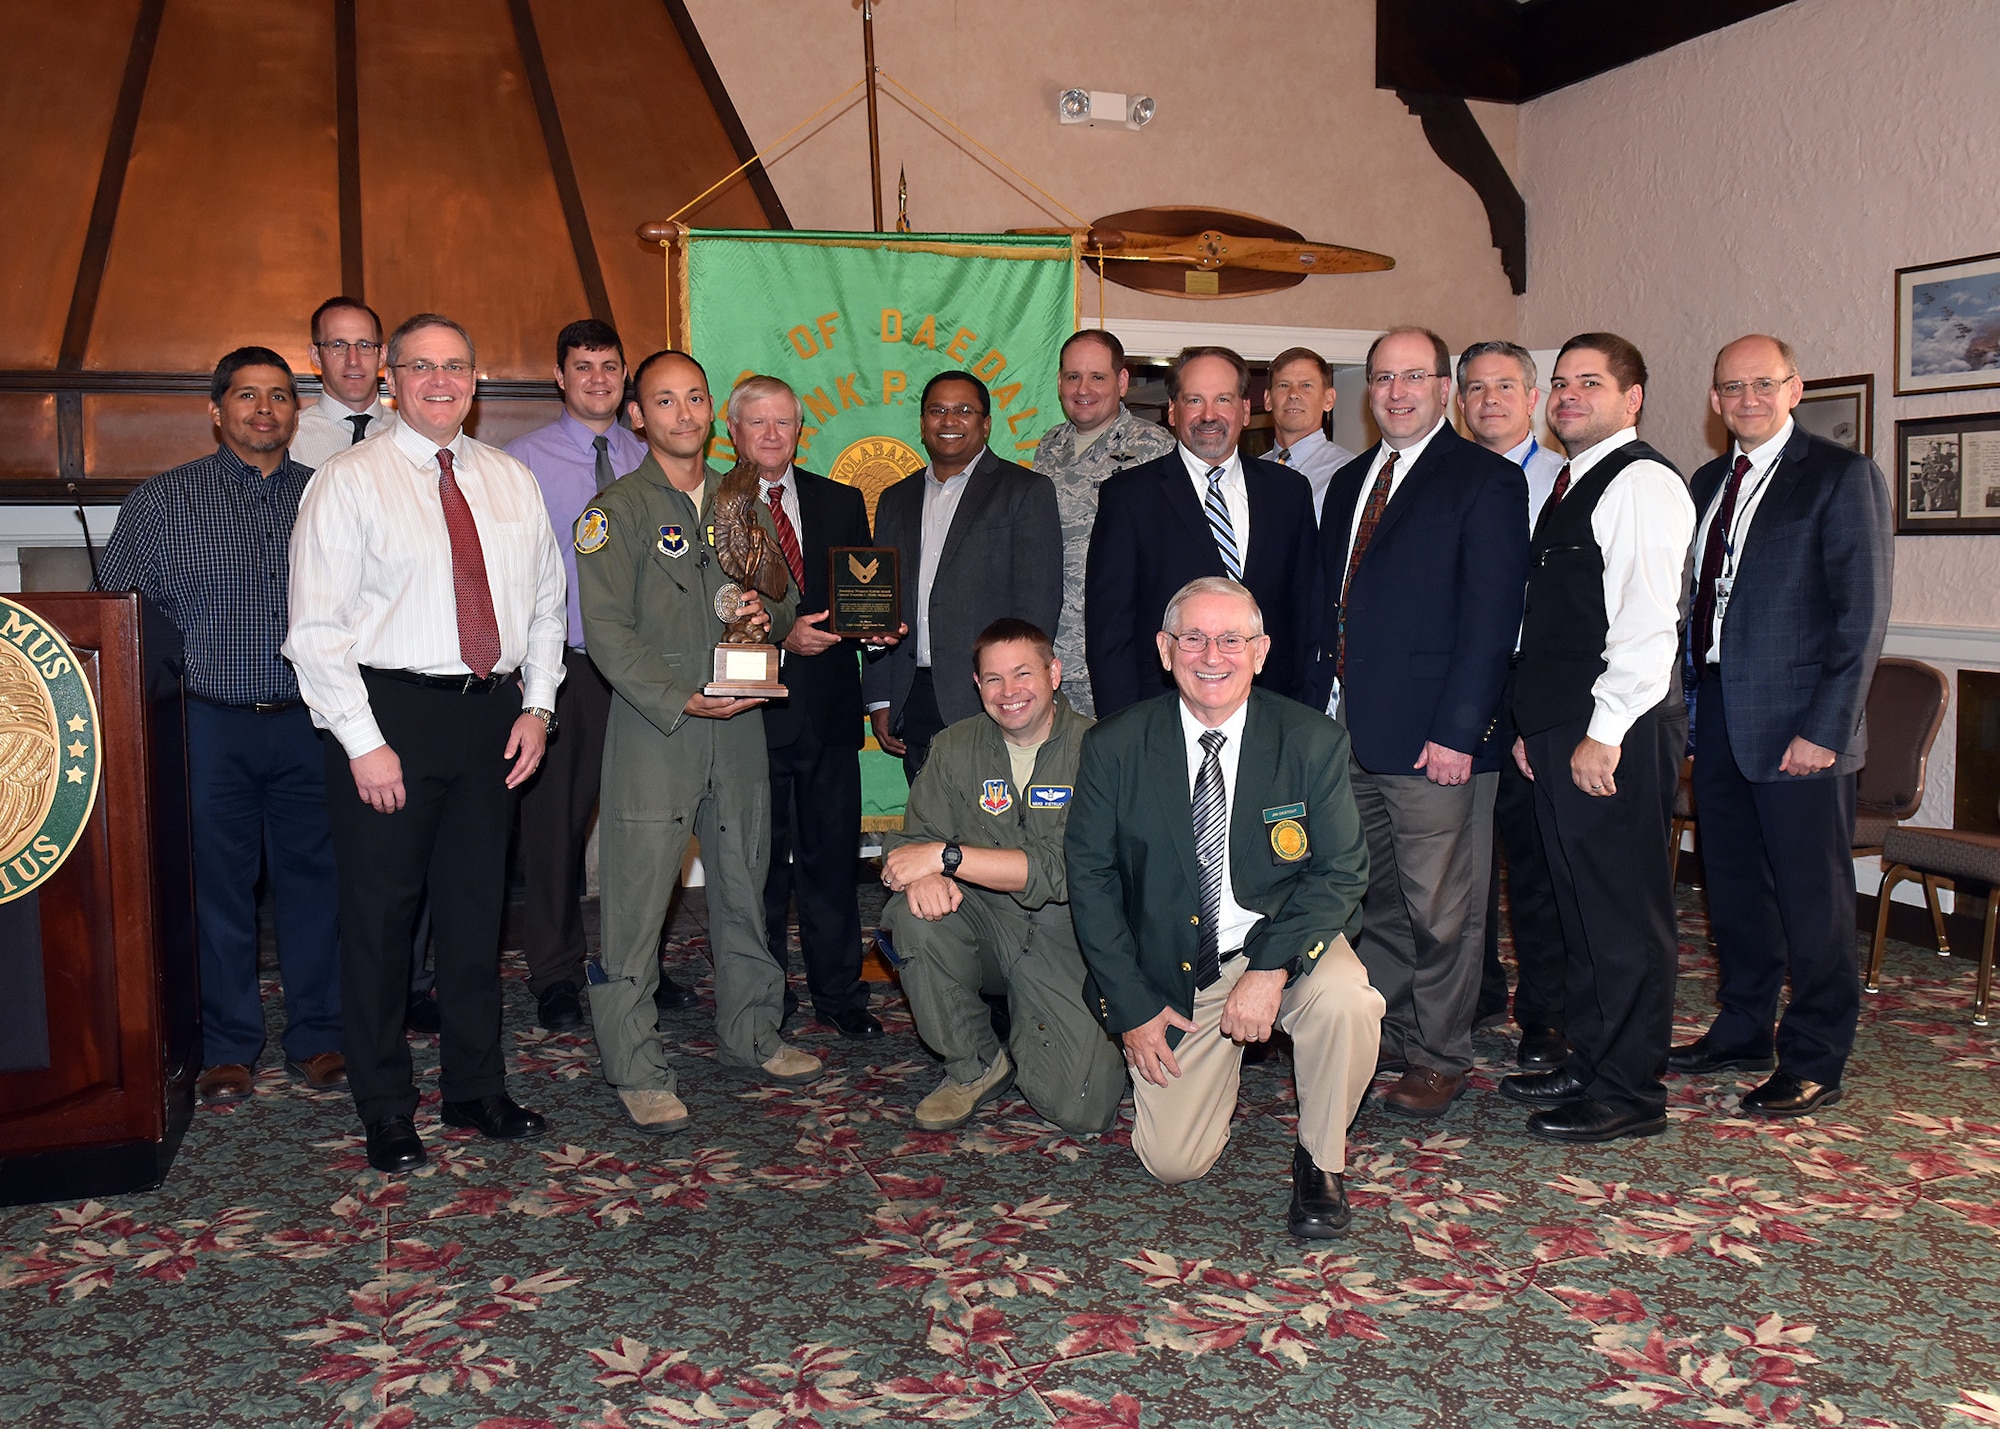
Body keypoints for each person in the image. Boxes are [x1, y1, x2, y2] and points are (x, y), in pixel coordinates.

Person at [286, 313, 565, 1174]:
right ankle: (386, 1105)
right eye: (421, 367)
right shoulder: (347, 479)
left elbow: (547, 606)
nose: (440, 381)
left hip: (493, 717)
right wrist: (363, 742)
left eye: (456, 366)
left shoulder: (512, 480)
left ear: (475, 381)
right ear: (391, 380)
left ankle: (475, 1089)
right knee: (379, 921)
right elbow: (316, 628)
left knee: (478, 915)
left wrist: (539, 708)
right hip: (387, 718)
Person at [1067, 578, 1382, 1238]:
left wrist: (1269, 971)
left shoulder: (1311, 739)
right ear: (1164, 648)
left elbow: (1342, 870)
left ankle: (1320, 1159)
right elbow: (1091, 885)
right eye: (1194, 637)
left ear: (1260, 650)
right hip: (1176, 967)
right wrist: (1131, 1008)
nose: (1212, 655)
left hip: (1281, 943)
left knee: (1348, 1000)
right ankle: (1217, 1071)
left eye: (1231, 638)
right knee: (1173, 1162)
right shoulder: (1113, 746)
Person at [574, 350, 819, 1134]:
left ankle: (753, 1031)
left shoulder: (741, 502)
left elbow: (783, 607)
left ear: (713, 411)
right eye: (665, 401)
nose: (684, 413)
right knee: (639, 906)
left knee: (746, 885)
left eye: (696, 398)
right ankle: (636, 1065)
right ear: (638, 415)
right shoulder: (614, 511)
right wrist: (680, 696)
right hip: (659, 728)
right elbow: (605, 633)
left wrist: (761, 618)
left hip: (741, 726)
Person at [96, 348, 344, 1105]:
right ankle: (229, 1044)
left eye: (277, 395)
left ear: (295, 413)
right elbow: (115, 613)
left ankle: (323, 1034)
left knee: (319, 885)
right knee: (216, 892)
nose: (263, 408)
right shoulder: (160, 503)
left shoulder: (331, 495)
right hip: (206, 728)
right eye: (246, 395)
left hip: (314, 722)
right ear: (216, 410)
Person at [1667, 335, 1893, 1116]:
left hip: (1803, 725)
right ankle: (1742, 1027)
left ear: (1794, 390)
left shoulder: (1840, 476)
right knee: (1731, 886)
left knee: (1813, 897)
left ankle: (1815, 1055)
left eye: (1764, 384)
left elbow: (1859, 617)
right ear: (1715, 399)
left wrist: (1826, 727)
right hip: (1721, 712)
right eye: (1732, 387)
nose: (1747, 399)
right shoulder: (1706, 481)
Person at [1304, 327, 1527, 1119]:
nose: (1397, 392)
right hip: (1353, 735)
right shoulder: (1349, 481)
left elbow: (1491, 617)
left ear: (1444, 389)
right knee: (1379, 900)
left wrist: (1461, 730)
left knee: (1446, 909)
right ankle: (1396, 1030)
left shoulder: (1486, 480)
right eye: (1383, 378)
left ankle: (1442, 1054)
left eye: (1414, 377)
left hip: (1439, 740)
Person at [1498, 333, 1695, 1143]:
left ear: (1633, 396)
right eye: (1563, 382)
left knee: (1622, 913)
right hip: (1561, 731)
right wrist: (1534, 728)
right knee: (1579, 907)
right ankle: (1590, 1053)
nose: (1569, 395)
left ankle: (1629, 1090)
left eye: (1591, 382)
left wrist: (1600, 733)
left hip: (1613, 732)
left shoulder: (1643, 481)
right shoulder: (1575, 480)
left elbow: (1649, 627)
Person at [878, 619, 1124, 1133]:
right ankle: (973, 1065)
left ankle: (1041, 1032)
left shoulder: (1101, 748)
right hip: (983, 924)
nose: (1009, 692)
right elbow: (910, 843)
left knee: (1081, 1110)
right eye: (993, 679)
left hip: (1069, 940)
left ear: (1054, 673)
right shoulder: (954, 747)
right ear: (977, 686)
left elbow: (1064, 870)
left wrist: (944, 858)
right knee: (914, 915)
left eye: (1022, 674)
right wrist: (921, 876)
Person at [501, 319, 662, 1034]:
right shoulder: (518, 462)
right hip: (563, 668)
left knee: (646, 827)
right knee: (555, 831)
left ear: (625, 376)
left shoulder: (652, 456)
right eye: (583, 366)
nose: (597, 377)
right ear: (559, 377)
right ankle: (556, 973)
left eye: (609, 366)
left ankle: (637, 967)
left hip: (646, 669)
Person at [727, 373, 885, 1042]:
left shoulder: (840, 499)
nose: (770, 434)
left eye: (782, 422)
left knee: (831, 864)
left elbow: (861, 593)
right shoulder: (713, 502)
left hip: (826, 711)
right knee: (758, 869)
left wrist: (876, 627)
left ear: (799, 430)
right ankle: (765, 994)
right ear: (732, 433)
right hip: (747, 714)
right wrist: (780, 631)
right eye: (756, 422)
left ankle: (839, 993)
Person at [1085, 346, 1316, 717]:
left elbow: (1306, 617)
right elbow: (1110, 633)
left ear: (1244, 408)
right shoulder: (1129, 497)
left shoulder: (1289, 492)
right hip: (1163, 716)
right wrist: (1123, 731)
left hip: (1272, 714)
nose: (1209, 415)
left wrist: (1306, 714)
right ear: (1173, 411)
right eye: (1195, 400)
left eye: (1222, 399)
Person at [1457, 340, 1573, 1071]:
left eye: (1505, 385)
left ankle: (1546, 1015)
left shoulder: (1567, 479)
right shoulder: (1448, 477)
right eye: (1474, 388)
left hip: (1535, 689)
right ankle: (1474, 993)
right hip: (1467, 687)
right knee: (1461, 858)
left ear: (1532, 397)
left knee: (1534, 865)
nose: (1489, 399)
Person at [865, 370, 1062, 779]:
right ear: (922, 424)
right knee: (929, 825)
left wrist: (1019, 688)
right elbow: (881, 601)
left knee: (991, 829)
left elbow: (1038, 602)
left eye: (963, 410)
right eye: (937, 410)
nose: (949, 420)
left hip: (990, 695)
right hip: (912, 696)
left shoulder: (1025, 490)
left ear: (985, 424)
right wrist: (881, 698)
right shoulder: (894, 499)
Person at [1031, 329, 1175, 715]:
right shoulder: (1048, 446)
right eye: (1073, 376)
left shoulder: (1155, 449)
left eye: (1098, 377)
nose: (1084, 388)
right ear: (1060, 382)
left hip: (1118, 654)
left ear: (1122, 381)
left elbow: (1166, 558)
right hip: (1052, 655)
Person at [292, 296, 398, 469]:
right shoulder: (289, 439)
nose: (353, 360)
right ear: (316, 356)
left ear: (382, 355)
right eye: (338, 345)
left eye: (364, 345)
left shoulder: (412, 434)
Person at [1261, 346, 1357, 521]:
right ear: (1268, 400)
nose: (1293, 395)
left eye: (1306, 386)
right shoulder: (1250, 473)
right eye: (1283, 385)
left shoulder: (1349, 474)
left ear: (1328, 400)